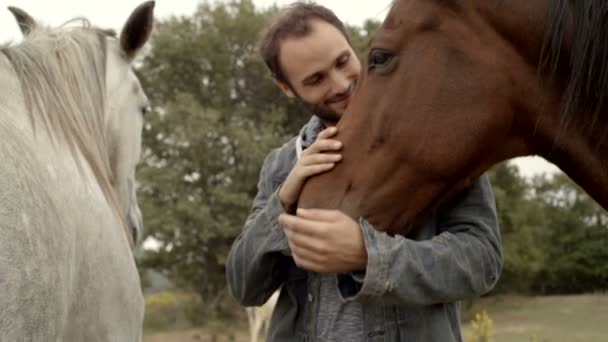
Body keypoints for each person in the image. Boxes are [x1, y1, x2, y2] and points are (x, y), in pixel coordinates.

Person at [226, 2, 503, 341]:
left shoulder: (438, 135)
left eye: (343, 61)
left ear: (352, 43)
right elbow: (244, 287)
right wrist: (283, 200)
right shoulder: (281, 165)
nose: (341, 84)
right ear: (287, 88)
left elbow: (482, 260)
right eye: (316, 79)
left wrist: (369, 256)